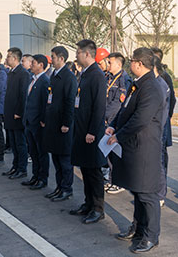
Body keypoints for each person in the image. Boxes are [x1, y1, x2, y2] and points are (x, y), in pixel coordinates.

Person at [106, 47, 166, 253]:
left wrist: (119, 135)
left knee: (148, 194)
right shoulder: (137, 84)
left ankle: (151, 236)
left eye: (131, 60)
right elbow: (124, 110)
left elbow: (141, 118)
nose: (129, 63)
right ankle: (138, 228)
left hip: (145, 147)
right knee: (138, 191)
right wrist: (114, 126)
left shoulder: (152, 87)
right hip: (134, 145)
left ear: (139, 64)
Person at [69, 39, 107, 225]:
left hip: (91, 132)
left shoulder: (97, 75)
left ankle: (98, 209)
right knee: (85, 169)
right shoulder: (85, 74)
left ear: (87, 54)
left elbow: (99, 106)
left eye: (78, 52)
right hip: (81, 129)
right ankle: (88, 203)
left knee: (93, 171)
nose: (76, 56)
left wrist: (92, 131)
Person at [42, 46, 77, 202]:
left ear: (62, 58)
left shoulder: (69, 77)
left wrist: (66, 123)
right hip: (52, 123)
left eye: (54, 57)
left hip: (62, 125)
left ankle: (66, 189)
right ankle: (59, 187)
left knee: (64, 160)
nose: (52, 60)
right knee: (56, 158)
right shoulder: (54, 75)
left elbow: (70, 102)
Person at [103, 52, 132, 195]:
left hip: (115, 121)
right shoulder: (108, 77)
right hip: (106, 121)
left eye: (110, 62)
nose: (108, 65)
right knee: (109, 153)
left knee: (116, 153)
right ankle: (112, 179)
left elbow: (118, 104)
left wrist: (105, 116)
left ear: (119, 64)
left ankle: (119, 182)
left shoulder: (124, 80)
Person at [22, 54, 50, 189]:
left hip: (38, 123)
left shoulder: (44, 81)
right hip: (29, 121)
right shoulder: (32, 79)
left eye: (33, 63)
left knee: (41, 152)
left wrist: (43, 120)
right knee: (33, 151)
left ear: (41, 65)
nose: (31, 65)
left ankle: (42, 178)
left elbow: (45, 103)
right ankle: (35, 176)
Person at [1, 47, 31, 179]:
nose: (6, 59)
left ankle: (22, 168)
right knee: (13, 143)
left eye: (8, 56)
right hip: (9, 113)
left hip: (17, 115)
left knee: (20, 143)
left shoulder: (23, 73)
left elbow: (23, 95)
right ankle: (15, 166)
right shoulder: (10, 73)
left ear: (14, 58)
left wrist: (19, 112)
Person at [153, 57, 171, 207]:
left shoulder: (160, 85)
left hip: (159, 129)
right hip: (154, 129)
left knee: (159, 162)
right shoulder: (154, 83)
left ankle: (159, 195)